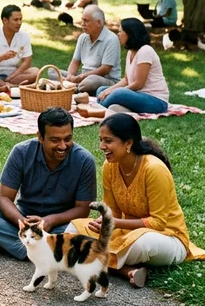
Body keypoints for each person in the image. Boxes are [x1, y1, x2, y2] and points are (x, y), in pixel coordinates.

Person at [68, 115, 204, 288]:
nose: (102, 146)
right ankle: (127, 270)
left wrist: (114, 223)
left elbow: (159, 223)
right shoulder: (110, 166)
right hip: (126, 233)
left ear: (129, 143)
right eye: (101, 140)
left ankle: (93, 260)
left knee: (141, 244)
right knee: (73, 231)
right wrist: (104, 222)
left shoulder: (154, 169)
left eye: (108, 141)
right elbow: (113, 212)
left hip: (167, 237)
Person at [0, 108, 97, 259]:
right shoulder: (21, 152)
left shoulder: (84, 160)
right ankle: (41, 250)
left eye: (68, 139)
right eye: (55, 140)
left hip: (60, 224)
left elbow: (82, 209)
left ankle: (9, 245)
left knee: (89, 230)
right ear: (40, 137)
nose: (62, 146)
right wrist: (24, 225)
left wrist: (50, 220)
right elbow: (4, 198)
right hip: (24, 218)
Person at [96, 18, 169, 114]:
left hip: (156, 100)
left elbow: (139, 84)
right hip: (138, 95)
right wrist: (109, 90)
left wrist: (113, 92)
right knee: (101, 90)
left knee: (118, 93)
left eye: (121, 31)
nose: (118, 34)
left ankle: (103, 106)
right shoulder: (130, 52)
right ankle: (122, 108)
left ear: (130, 34)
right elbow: (126, 80)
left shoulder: (145, 51)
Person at [64, 5, 121, 94]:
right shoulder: (82, 37)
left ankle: (71, 88)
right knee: (52, 72)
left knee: (90, 81)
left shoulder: (111, 39)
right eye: (82, 20)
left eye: (86, 21)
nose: (82, 24)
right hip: (83, 77)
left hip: (104, 79)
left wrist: (81, 77)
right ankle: (72, 87)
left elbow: (105, 69)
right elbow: (75, 62)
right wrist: (70, 76)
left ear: (98, 23)